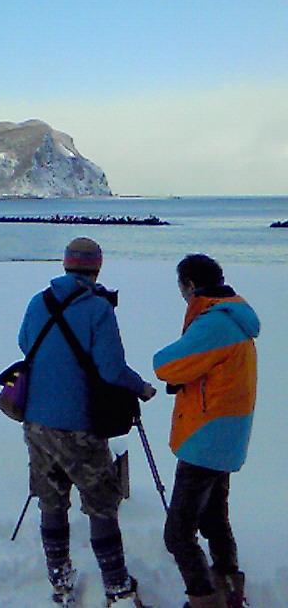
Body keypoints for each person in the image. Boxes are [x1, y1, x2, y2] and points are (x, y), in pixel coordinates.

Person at [18, 237, 156, 607]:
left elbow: (24, 344)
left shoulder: (39, 301)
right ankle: (117, 587)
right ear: (97, 267)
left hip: (36, 421)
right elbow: (111, 369)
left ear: (65, 265)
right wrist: (140, 387)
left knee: (51, 499)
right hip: (79, 424)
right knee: (100, 502)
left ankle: (60, 581)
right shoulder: (98, 309)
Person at [153, 254, 260, 608]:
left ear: (192, 285)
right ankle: (229, 587)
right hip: (229, 433)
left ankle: (204, 600)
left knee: (178, 534)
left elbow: (166, 364)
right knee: (214, 519)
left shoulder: (213, 322)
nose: (181, 293)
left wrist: (180, 374)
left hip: (206, 436)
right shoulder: (233, 314)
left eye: (181, 285)